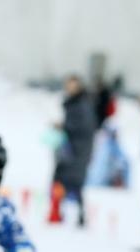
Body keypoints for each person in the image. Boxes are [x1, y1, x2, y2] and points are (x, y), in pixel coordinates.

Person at [50, 74, 97, 227]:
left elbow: (84, 127)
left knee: (75, 182)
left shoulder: (82, 104)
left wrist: (64, 126)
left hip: (78, 150)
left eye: (73, 84)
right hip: (70, 148)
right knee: (61, 180)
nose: (69, 87)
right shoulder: (73, 103)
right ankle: (57, 212)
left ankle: (79, 215)